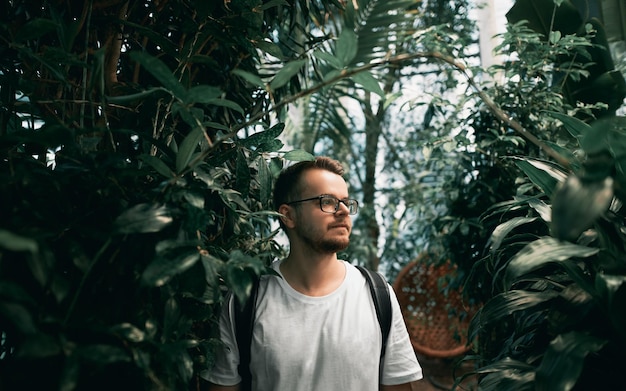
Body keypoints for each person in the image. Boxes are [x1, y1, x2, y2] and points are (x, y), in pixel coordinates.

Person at [203, 156, 423, 390]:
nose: (344, 211)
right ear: (288, 215)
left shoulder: (377, 294)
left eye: (347, 202)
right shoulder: (246, 300)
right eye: (327, 202)